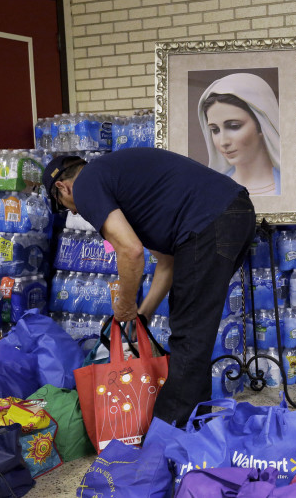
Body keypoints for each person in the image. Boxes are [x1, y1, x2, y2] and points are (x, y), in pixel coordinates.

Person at [42, 147, 256, 426]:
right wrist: (143, 313)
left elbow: (130, 252)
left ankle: (167, 430)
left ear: (63, 186)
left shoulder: (86, 184)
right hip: (236, 213)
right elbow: (167, 263)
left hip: (210, 223)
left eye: (64, 205)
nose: (74, 211)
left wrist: (125, 305)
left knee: (189, 334)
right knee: (194, 330)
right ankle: (195, 424)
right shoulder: (123, 185)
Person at [197, 73, 281, 196]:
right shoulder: (210, 191)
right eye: (215, 130)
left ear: (262, 125)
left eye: (234, 126)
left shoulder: (292, 185)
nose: (223, 142)